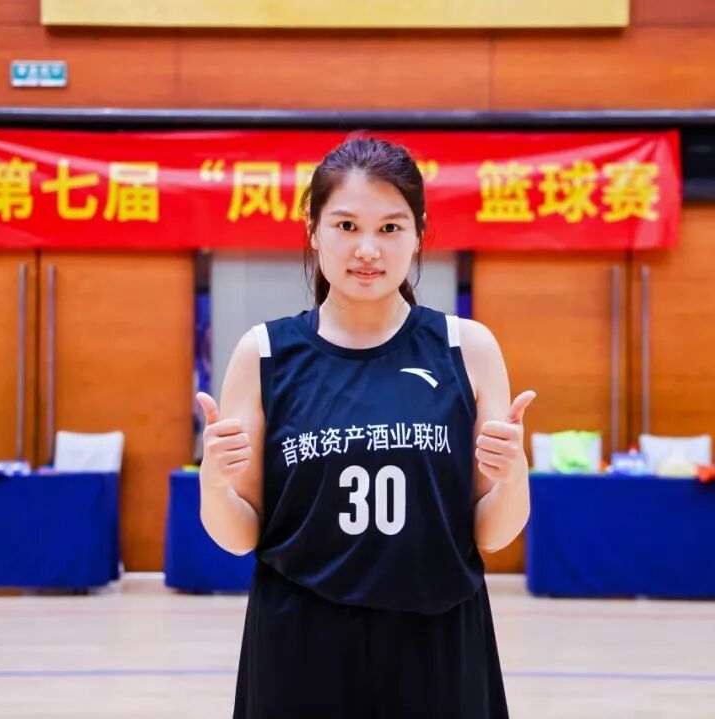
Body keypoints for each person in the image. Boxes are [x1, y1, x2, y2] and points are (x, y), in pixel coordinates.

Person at [196, 136, 535, 718]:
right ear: (314, 231)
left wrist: (513, 474)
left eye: (390, 227)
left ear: (419, 234)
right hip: (300, 646)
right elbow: (240, 535)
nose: (368, 249)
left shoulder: (467, 348)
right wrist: (214, 481)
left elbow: (492, 533)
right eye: (347, 225)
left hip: (437, 641)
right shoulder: (264, 353)